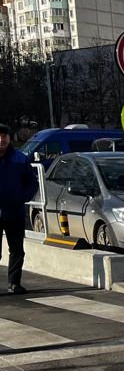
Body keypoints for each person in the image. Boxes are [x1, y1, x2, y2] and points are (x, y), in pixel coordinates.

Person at [0, 123, 38, 295]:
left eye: (4, 136)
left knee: (16, 249)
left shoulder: (20, 158)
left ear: (9, 138)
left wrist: (23, 198)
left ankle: (14, 283)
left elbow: (31, 183)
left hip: (14, 211)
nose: (2, 139)